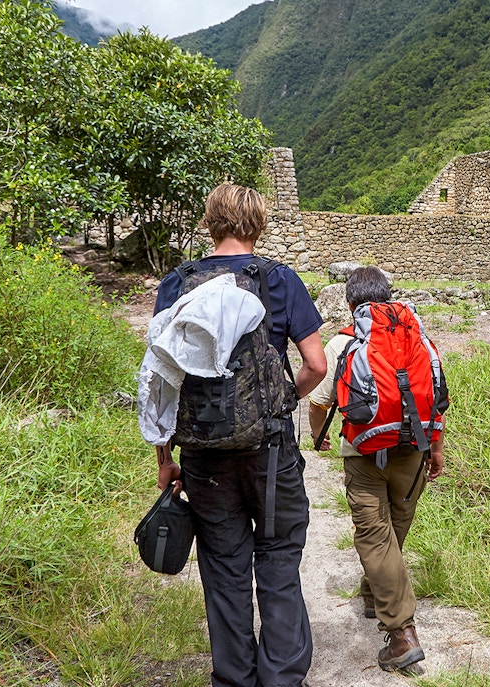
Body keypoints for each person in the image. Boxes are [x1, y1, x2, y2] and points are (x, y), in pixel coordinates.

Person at [153, 183, 326, 687]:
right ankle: (282, 678)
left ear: (209, 223)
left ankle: (233, 679)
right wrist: (281, 401)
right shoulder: (279, 279)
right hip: (269, 453)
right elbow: (316, 365)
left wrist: (165, 457)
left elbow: (162, 379)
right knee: (278, 558)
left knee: (224, 567)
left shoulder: (178, 283)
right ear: (259, 225)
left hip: (204, 457)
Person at [307, 266, 445, 672]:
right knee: (394, 529)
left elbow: (318, 403)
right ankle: (373, 592)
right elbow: (435, 398)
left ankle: (401, 634)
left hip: (363, 454)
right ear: (387, 297)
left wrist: (319, 438)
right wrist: (436, 448)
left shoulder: (343, 344)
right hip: (414, 450)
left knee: (374, 537)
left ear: (351, 304)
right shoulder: (419, 338)